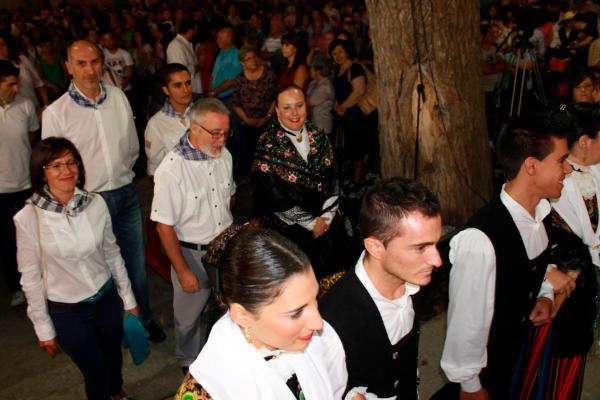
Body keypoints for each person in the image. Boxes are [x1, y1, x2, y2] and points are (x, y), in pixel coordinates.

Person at [433, 115, 573, 399]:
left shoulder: (541, 211)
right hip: (486, 370)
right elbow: (467, 323)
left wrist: (544, 294)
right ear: (531, 165)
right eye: (561, 160)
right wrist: (470, 386)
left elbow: (536, 265)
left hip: (515, 353)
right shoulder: (481, 239)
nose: (569, 169)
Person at [41, 40, 165, 343]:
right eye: (81, 63)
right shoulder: (56, 113)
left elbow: (132, 146)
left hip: (125, 192)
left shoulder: (119, 98)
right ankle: (113, 328)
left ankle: (142, 319)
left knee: (135, 264)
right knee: (102, 272)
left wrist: (121, 174)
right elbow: (53, 166)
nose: (90, 70)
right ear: (68, 67)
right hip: (88, 202)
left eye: (95, 62)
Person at [14, 137, 138, 400]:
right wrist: (43, 328)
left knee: (113, 361)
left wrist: (128, 299)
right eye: (56, 165)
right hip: (68, 311)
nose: (67, 171)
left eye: (71, 162)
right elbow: (31, 278)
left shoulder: (95, 203)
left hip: (105, 300)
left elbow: (112, 253)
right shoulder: (29, 218)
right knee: (95, 373)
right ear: (42, 172)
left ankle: (117, 394)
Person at [174, 226, 348, 400]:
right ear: (242, 316)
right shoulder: (207, 392)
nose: (318, 323)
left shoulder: (318, 340)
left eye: (315, 299)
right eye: (296, 313)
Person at [320, 178, 442, 399]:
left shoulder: (413, 279)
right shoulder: (332, 320)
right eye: (421, 248)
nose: (437, 260)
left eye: (435, 244)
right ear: (375, 247)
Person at [151, 98, 236, 373]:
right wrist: (183, 269)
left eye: (225, 133)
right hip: (191, 252)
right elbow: (164, 227)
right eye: (215, 133)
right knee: (188, 318)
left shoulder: (225, 155)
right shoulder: (171, 170)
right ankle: (189, 365)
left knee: (226, 309)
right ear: (193, 128)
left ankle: (222, 357)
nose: (221, 140)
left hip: (224, 247)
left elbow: (230, 196)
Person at [252, 84, 348, 279]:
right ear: (277, 110)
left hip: (327, 224)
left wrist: (327, 218)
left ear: (307, 106)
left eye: (299, 105)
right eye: (286, 107)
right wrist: (312, 224)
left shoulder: (320, 137)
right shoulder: (265, 147)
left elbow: (336, 179)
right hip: (291, 232)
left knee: (334, 279)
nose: (294, 113)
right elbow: (273, 197)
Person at [543, 103, 600, 399]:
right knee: (557, 370)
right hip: (570, 289)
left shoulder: (592, 171)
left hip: (585, 278)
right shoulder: (557, 186)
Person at [0, 60, 39, 307]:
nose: (16, 89)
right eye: (11, 84)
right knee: (7, 241)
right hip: (1, 189)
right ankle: (16, 287)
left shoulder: (25, 106)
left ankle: (39, 284)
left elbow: (31, 139)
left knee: (34, 238)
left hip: (26, 185)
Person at [330, 38, 369, 185]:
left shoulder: (355, 68)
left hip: (356, 115)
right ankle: (352, 178)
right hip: (344, 116)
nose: (337, 55)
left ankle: (357, 182)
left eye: (340, 51)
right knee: (350, 149)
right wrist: (336, 105)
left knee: (357, 149)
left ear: (347, 51)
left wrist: (343, 106)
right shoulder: (339, 70)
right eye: (334, 53)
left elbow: (360, 91)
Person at [232, 46, 277, 167]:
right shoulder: (239, 80)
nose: (252, 61)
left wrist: (267, 117)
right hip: (247, 123)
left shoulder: (269, 75)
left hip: (267, 121)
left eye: (254, 57)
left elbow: (275, 98)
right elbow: (236, 104)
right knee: (251, 156)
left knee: (268, 156)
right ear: (242, 63)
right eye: (248, 59)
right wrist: (247, 120)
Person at [145, 63, 194, 176]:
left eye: (188, 83)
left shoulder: (203, 114)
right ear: (166, 90)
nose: (186, 90)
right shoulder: (156, 124)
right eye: (178, 85)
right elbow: (155, 166)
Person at [0, 31, 49, 111]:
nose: (0, 49)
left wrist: (46, 106)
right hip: (14, 114)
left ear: (9, 44)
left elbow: (39, 83)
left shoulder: (22, 59)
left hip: (36, 108)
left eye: (2, 45)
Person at [166, 18, 203, 97]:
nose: (197, 32)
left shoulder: (186, 43)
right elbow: (179, 71)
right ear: (190, 31)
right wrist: (198, 66)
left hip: (194, 88)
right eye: (195, 30)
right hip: (186, 91)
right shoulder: (176, 45)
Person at [307, 53, 335, 135]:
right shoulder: (314, 82)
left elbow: (309, 102)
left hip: (322, 127)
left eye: (311, 68)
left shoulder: (325, 86)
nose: (310, 70)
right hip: (314, 125)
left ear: (318, 70)